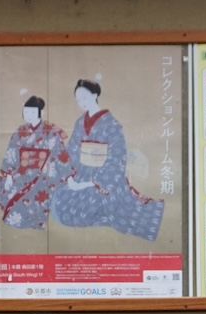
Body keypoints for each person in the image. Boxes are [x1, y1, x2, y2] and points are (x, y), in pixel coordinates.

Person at [51, 80, 165, 241]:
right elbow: (72, 151)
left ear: (95, 95)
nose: (81, 102)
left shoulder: (112, 124)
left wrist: (89, 183)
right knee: (58, 204)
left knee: (84, 209)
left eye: (84, 97)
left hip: (103, 179)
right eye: (78, 99)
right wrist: (71, 178)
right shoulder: (79, 122)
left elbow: (117, 158)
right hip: (81, 173)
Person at [0, 96, 72, 229]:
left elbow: (60, 153)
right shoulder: (21, 131)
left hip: (43, 174)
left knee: (38, 197)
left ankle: (32, 220)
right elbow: (12, 152)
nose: (28, 115)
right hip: (21, 171)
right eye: (26, 112)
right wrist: (8, 176)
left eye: (32, 112)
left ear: (40, 113)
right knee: (9, 190)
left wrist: (65, 176)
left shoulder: (50, 131)